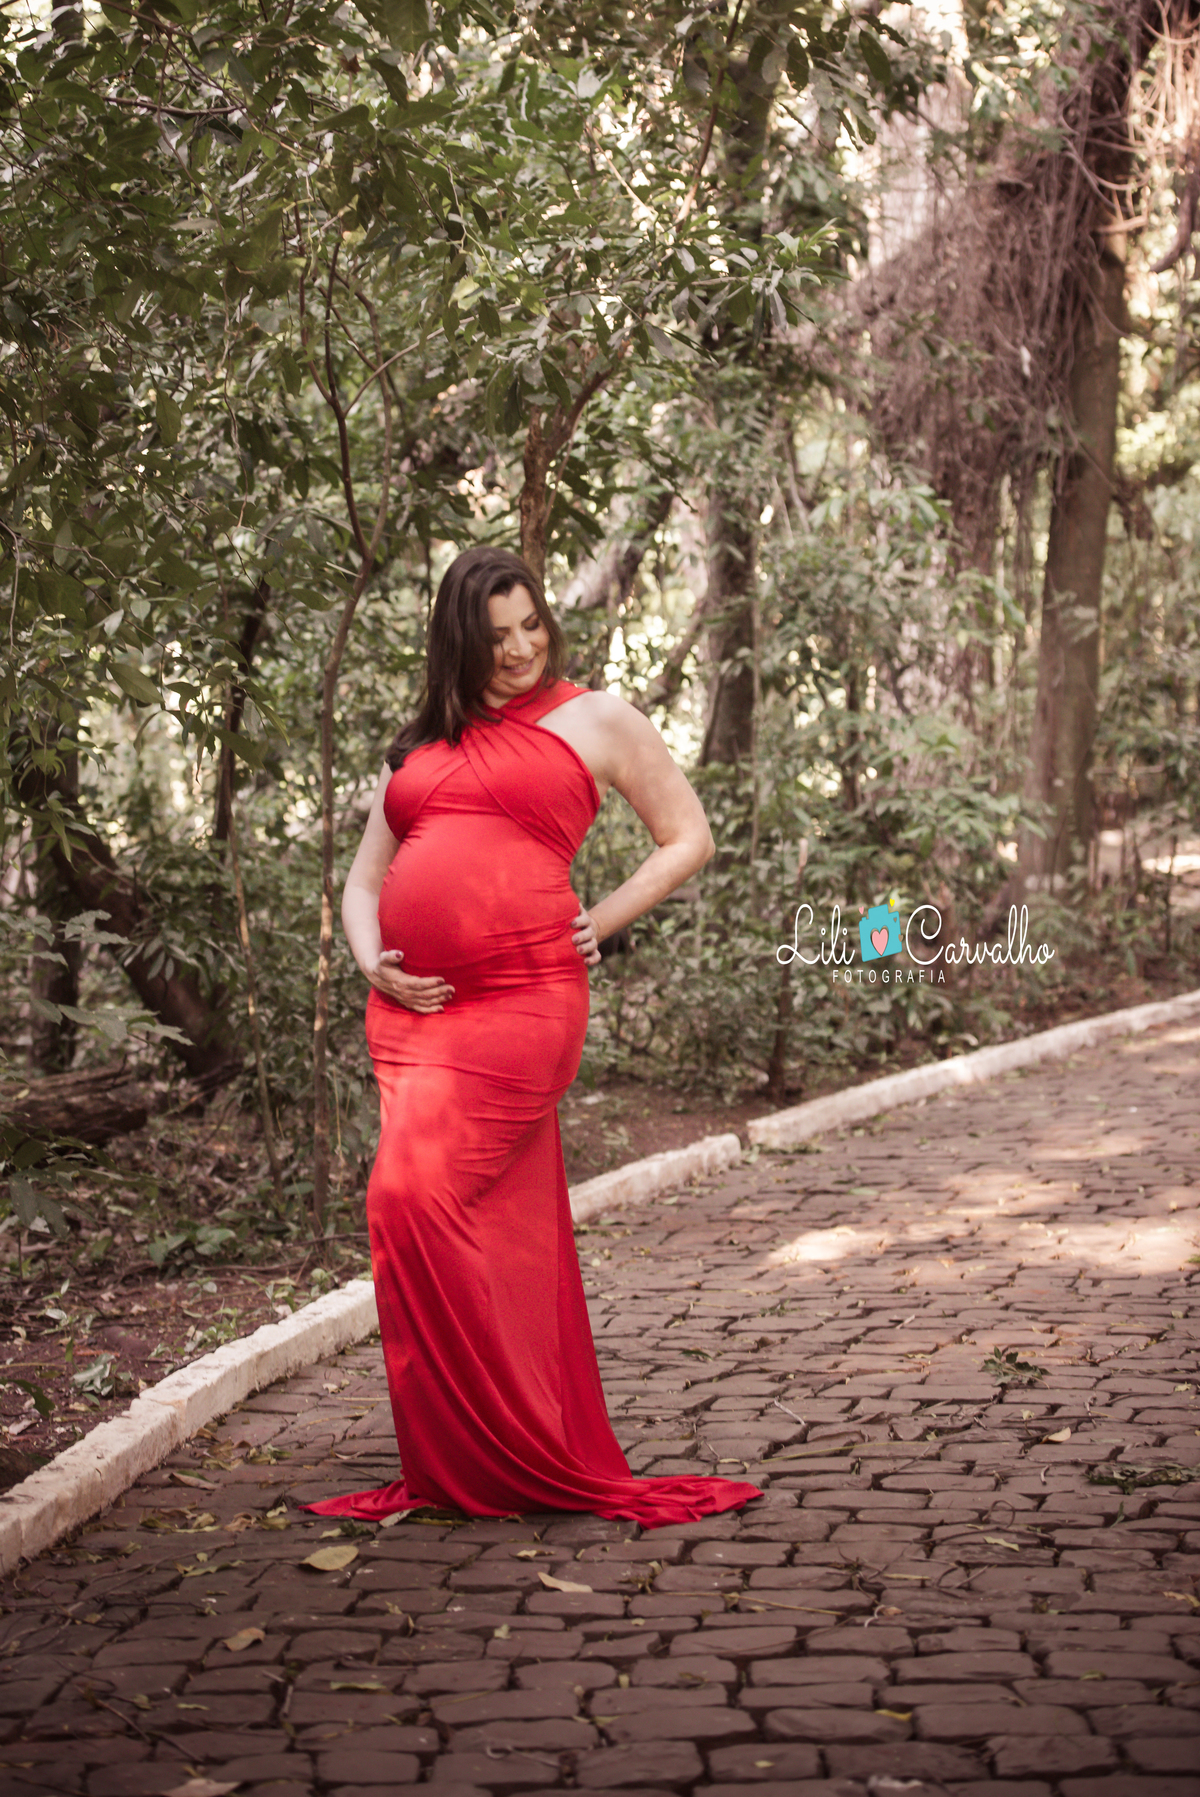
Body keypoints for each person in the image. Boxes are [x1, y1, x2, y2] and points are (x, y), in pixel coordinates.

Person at [308, 545, 761, 1529]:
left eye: (531, 627)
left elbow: (688, 836)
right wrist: (368, 956)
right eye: (496, 635)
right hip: (416, 1018)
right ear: (458, 641)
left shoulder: (596, 718)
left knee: (406, 1195)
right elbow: (361, 883)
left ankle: (507, 1447)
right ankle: (478, 1456)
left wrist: (600, 918)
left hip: (524, 1004)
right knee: (458, 1219)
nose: (519, 650)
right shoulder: (423, 746)